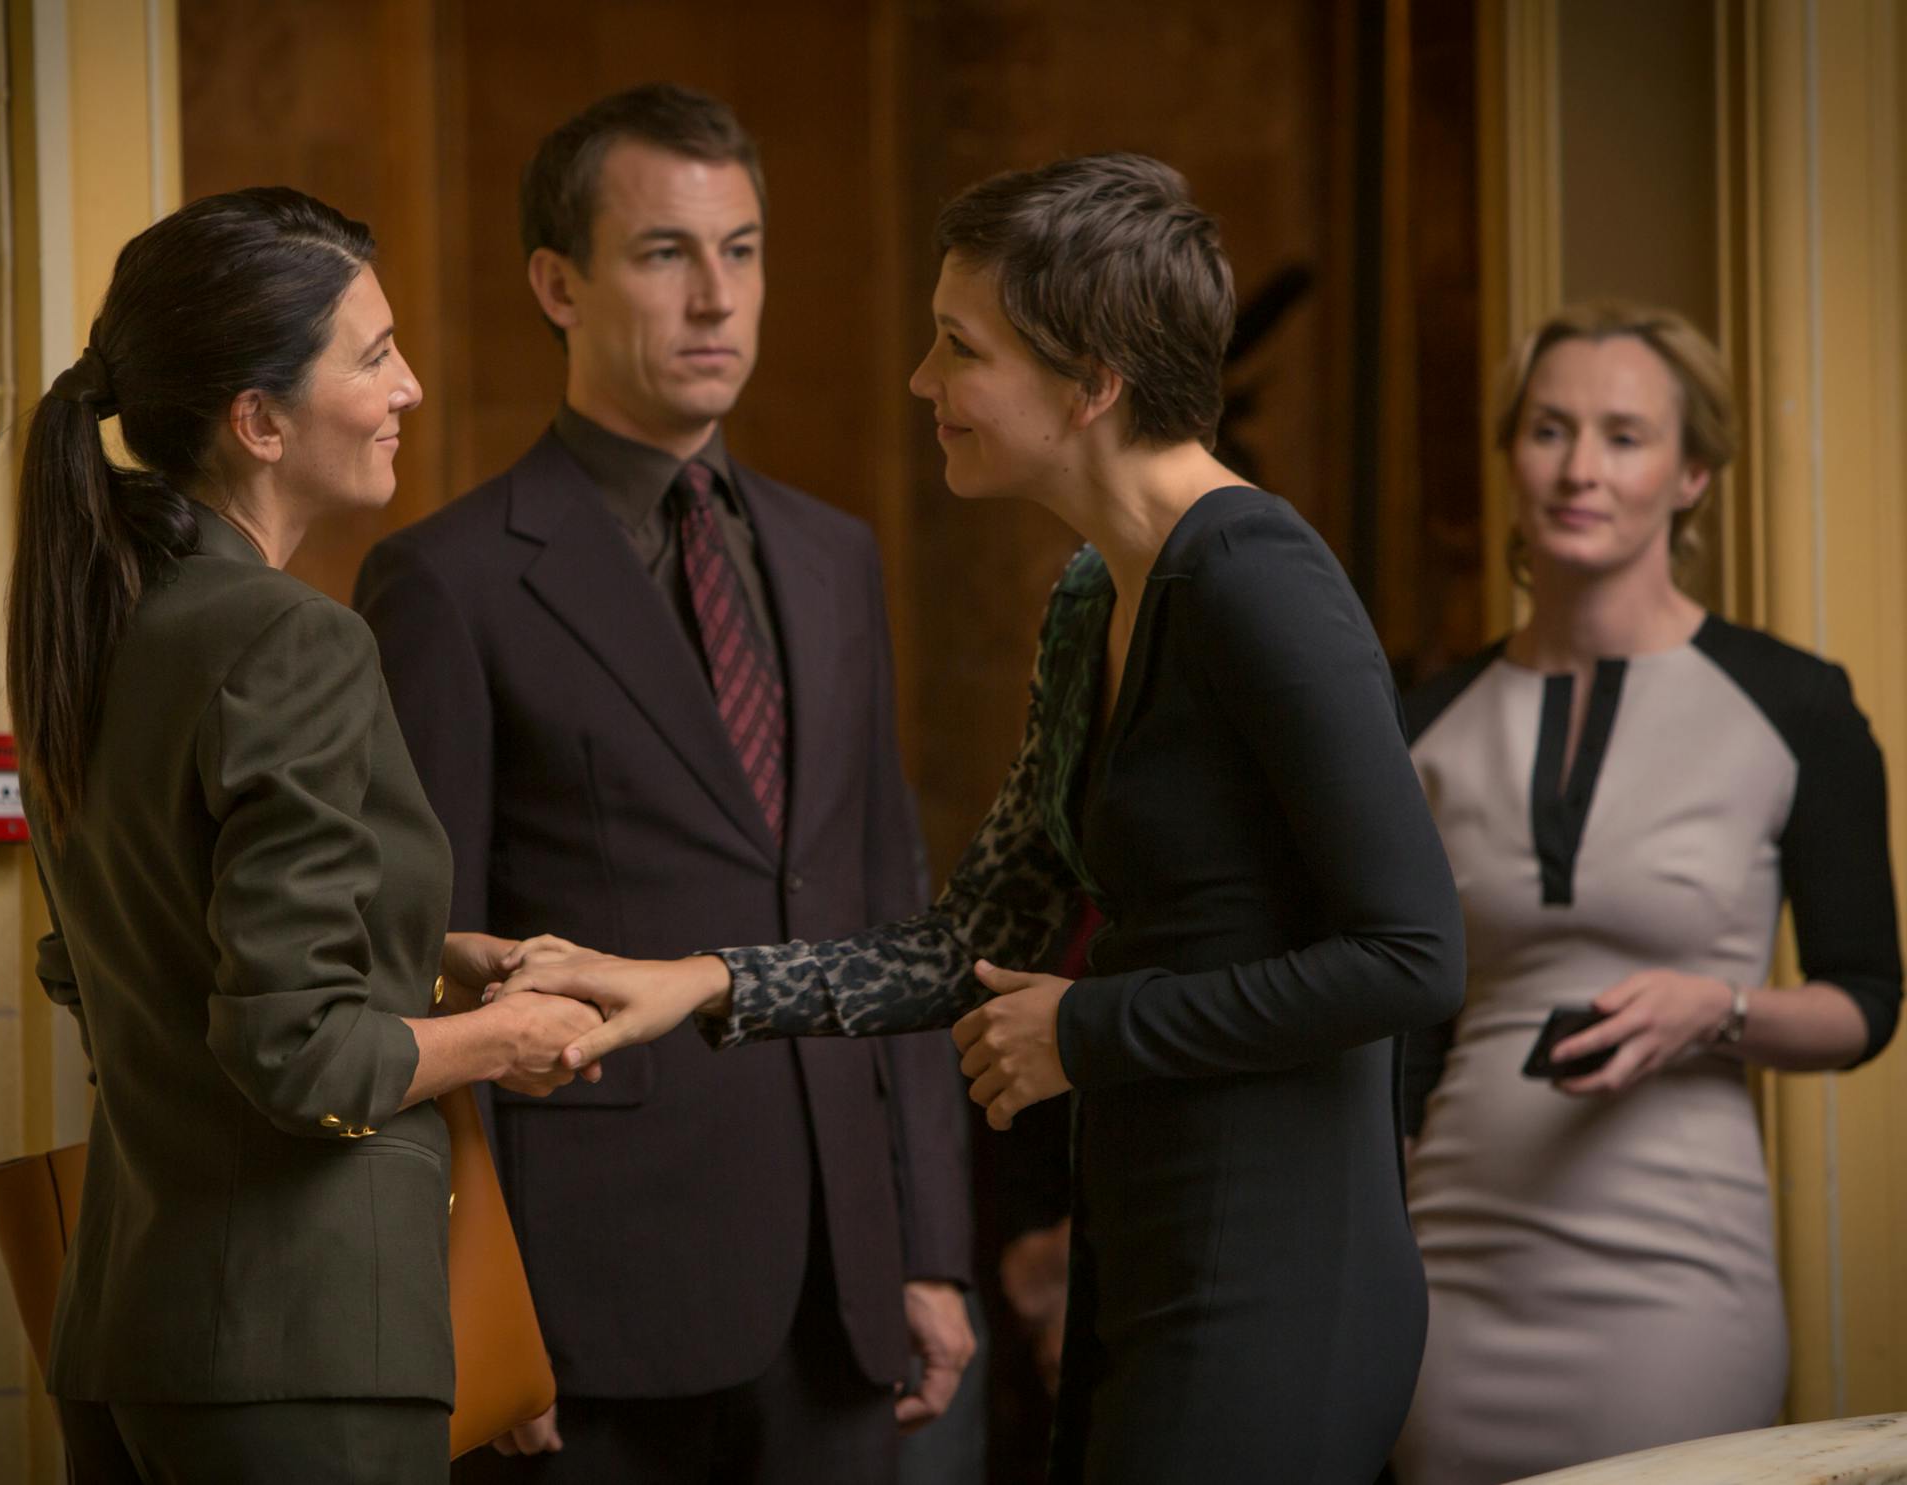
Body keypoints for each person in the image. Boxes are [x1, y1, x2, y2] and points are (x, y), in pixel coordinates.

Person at [494, 152, 1467, 1484]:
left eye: (960, 347)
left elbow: (1414, 957)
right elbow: (975, 939)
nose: (920, 381)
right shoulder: (1090, 596)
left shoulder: (1260, 580)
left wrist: (1086, 1026)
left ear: (1093, 383)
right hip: (1148, 1249)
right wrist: (691, 983)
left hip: (1282, 1278)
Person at [353, 84, 976, 1485]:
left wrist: (930, 1247)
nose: (716, 300)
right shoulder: (447, 582)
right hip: (589, 1315)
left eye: (742, 250)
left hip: (840, 1294)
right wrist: (483, 1309)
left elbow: (896, 919)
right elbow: (420, 972)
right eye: (664, 254)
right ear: (557, 283)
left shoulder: (837, 559)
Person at [8, 187, 603, 1484]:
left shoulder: (101, 631)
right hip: (298, 1349)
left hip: (132, 1329)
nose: (413, 389)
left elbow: (131, 958)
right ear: (259, 419)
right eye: (376, 354)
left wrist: (432, 955)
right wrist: (512, 1033)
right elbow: (296, 1053)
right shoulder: (293, 638)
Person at [1388, 302, 1903, 1484]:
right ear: (1511, 453)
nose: (1580, 469)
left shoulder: (1796, 706)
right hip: (1451, 1278)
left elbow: (1868, 1000)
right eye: (1550, 429)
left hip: (1677, 1287)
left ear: (1692, 474)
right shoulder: (1419, 722)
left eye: (1624, 436)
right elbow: (1403, 1031)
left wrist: (1717, 1009)